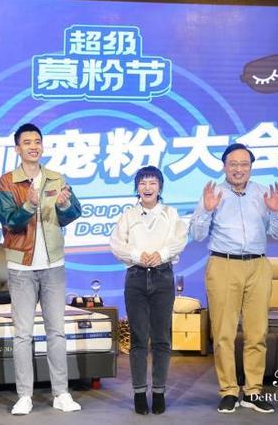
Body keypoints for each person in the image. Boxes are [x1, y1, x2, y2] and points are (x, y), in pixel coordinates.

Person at [190, 143, 278, 414]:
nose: (239, 169)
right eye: (233, 164)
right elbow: (197, 235)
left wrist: (275, 211)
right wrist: (207, 210)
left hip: (258, 265)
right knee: (223, 333)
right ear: (224, 166)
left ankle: (253, 391)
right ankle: (229, 390)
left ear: (251, 167)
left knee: (257, 332)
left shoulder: (262, 193)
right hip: (223, 264)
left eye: (244, 164)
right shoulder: (213, 193)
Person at [0, 123, 82, 415]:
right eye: (27, 142)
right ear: (17, 148)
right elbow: (9, 221)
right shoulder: (7, 182)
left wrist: (65, 205)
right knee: (23, 334)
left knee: (57, 332)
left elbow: (73, 213)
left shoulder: (55, 177)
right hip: (21, 267)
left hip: (54, 265)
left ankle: (61, 393)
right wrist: (30, 205)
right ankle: (24, 396)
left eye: (37, 141)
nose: (33, 146)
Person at [109, 166, 188, 415]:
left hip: (163, 277)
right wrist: (137, 255)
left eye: (153, 183)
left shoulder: (170, 213)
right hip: (136, 278)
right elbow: (116, 244)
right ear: (137, 188)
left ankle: (159, 392)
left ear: (160, 187)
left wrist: (160, 254)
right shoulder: (128, 215)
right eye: (143, 183)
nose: (147, 187)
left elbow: (180, 240)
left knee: (162, 339)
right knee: (139, 338)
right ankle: (139, 393)